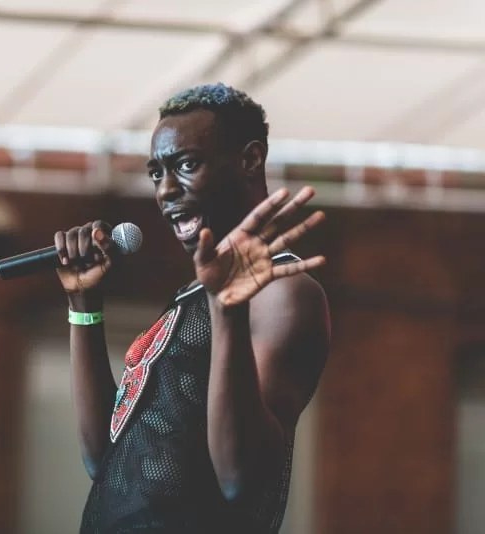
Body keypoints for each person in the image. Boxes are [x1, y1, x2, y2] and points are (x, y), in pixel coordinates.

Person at [53, 83, 331, 533]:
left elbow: (239, 475)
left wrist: (227, 309)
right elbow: (103, 461)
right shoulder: (193, 297)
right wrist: (84, 307)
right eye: (156, 173)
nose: (166, 190)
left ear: (249, 159)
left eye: (186, 165)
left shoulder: (284, 293)